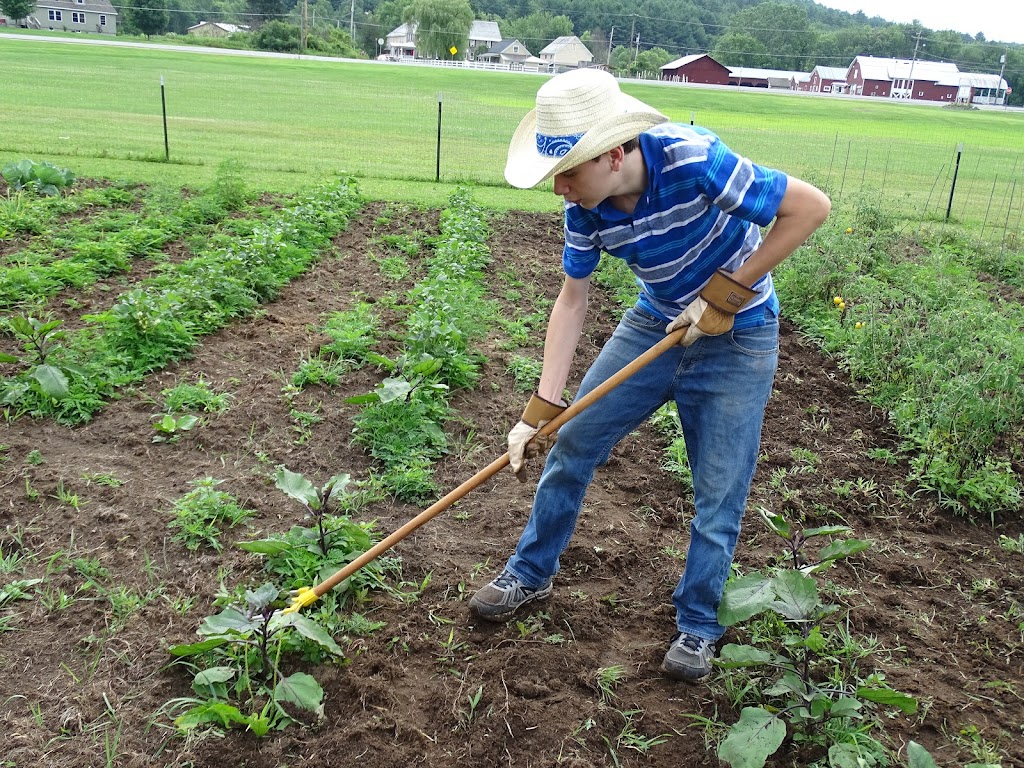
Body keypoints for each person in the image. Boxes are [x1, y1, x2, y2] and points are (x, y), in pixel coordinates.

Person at [469, 68, 831, 682]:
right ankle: (530, 574)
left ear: (613, 153)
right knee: (571, 443)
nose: (559, 188)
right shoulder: (585, 206)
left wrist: (725, 295)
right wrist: (540, 411)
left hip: (738, 339)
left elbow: (809, 208)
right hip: (655, 326)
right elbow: (572, 299)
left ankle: (698, 626)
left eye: (569, 171)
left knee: (720, 491)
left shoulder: (693, 159)